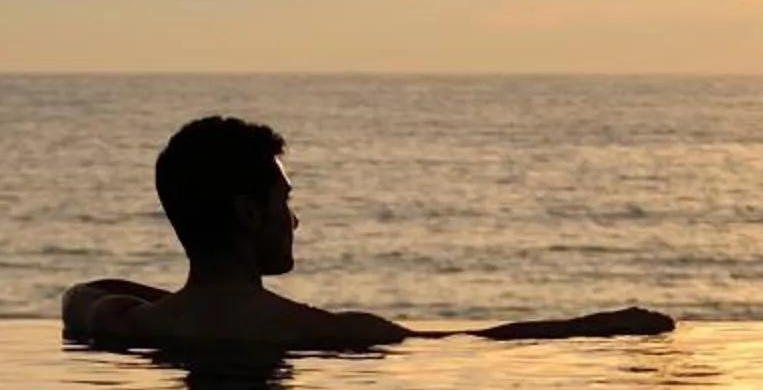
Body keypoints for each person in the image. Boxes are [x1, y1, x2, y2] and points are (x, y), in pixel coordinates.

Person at [61, 116, 674, 356]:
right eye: (284, 202)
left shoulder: (121, 323)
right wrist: (601, 325)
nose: (294, 221)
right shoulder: (328, 333)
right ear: (248, 214)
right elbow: (469, 341)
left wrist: (189, 300)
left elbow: (82, 293)